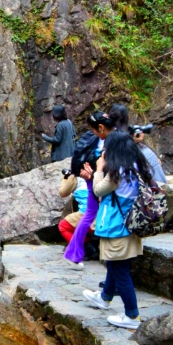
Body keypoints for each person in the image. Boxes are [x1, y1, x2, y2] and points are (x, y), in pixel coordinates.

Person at [82, 131, 151, 329]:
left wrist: (98, 169)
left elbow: (98, 191)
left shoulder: (117, 172)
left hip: (116, 227)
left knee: (120, 271)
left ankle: (132, 316)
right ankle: (104, 298)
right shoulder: (137, 167)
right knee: (115, 264)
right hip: (130, 225)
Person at [62, 111, 116, 266]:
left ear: (100, 127)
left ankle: (77, 253)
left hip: (101, 182)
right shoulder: (106, 139)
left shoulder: (111, 141)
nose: (93, 134)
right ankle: (77, 253)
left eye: (94, 130)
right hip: (94, 180)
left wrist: (94, 174)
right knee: (91, 216)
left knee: (92, 217)